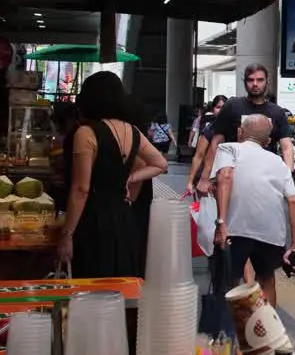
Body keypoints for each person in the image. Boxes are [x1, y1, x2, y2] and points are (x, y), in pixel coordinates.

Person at [58, 72, 169, 278]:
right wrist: (130, 178)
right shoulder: (132, 130)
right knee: (119, 286)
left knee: (90, 285)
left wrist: (67, 234)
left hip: (93, 219)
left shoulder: (86, 133)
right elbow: (160, 164)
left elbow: (81, 189)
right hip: (124, 218)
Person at [212, 115, 295, 308]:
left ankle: (228, 331)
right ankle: (268, 331)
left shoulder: (228, 148)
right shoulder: (279, 162)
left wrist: (221, 222)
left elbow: (225, 176)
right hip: (270, 232)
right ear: (268, 141)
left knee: (230, 280)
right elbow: (294, 201)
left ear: (239, 132)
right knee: (267, 279)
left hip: (235, 229)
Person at [197, 64, 293, 196]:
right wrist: (205, 177)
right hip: (232, 177)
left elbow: (286, 147)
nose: (255, 84)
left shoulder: (277, 112)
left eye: (260, 80)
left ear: (267, 82)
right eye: (250, 80)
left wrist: (289, 179)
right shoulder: (232, 106)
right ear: (245, 82)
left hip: (266, 179)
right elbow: (216, 142)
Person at [184, 95, 227, 196]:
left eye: (224, 108)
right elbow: (198, 156)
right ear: (213, 109)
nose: (221, 111)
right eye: (218, 107)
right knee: (204, 208)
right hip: (206, 176)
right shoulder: (209, 128)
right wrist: (190, 182)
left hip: (225, 177)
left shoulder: (234, 129)